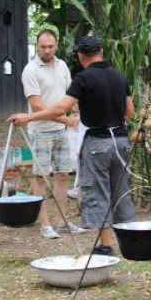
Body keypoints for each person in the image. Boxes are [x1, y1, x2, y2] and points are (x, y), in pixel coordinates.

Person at [10, 36, 135, 256]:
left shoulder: (83, 78)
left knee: (98, 191)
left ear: (80, 56)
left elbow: (60, 109)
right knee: (121, 190)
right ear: (102, 51)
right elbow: (130, 112)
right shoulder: (120, 76)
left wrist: (28, 118)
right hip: (122, 142)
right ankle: (130, 241)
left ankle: (106, 245)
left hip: (98, 143)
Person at [20, 29, 85, 239]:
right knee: (40, 178)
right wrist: (65, 119)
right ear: (36, 46)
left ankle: (64, 222)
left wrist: (76, 111)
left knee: (63, 175)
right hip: (40, 131)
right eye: (43, 47)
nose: (47, 50)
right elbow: (37, 106)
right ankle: (45, 224)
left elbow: (70, 95)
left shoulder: (62, 66)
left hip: (61, 131)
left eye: (50, 46)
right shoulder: (30, 70)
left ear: (56, 46)